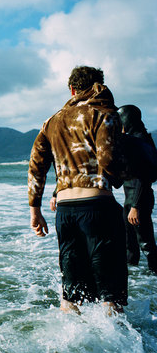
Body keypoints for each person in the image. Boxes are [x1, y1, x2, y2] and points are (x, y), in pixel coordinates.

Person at [28, 65, 127, 314]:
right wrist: (118, 177)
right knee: (110, 292)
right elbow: (108, 160)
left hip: (65, 211)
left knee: (71, 292)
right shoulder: (103, 113)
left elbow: (36, 168)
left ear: (72, 89)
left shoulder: (51, 121)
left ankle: (71, 346)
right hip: (98, 207)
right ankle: (117, 349)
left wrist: (35, 210)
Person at [119, 104, 157, 274]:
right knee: (129, 244)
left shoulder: (138, 140)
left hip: (138, 199)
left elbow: (145, 176)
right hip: (132, 198)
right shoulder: (139, 139)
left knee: (145, 242)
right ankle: (136, 282)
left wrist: (136, 206)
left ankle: (154, 276)